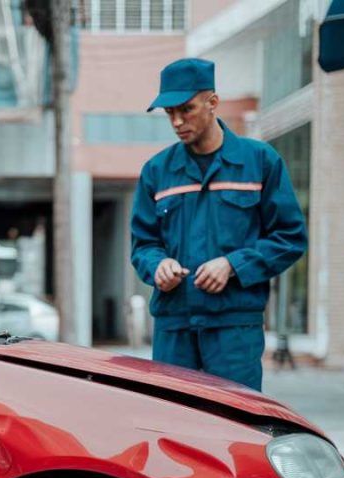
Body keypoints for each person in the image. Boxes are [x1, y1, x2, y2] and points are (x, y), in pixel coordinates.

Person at [130, 58, 308, 391]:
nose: (178, 122)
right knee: (171, 421)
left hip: (233, 328)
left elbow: (290, 237)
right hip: (174, 327)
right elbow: (143, 244)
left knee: (235, 426)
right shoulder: (157, 171)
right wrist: (159, 266)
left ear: (213, 102)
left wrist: (233, 265)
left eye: (187, 109)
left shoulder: (259, 162)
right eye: (170, 113)